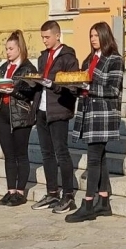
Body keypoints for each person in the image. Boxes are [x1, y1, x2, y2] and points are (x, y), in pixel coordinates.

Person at [65, 22, 124, 223]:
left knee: (93, 158)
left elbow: (113, 90)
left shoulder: (114, 59)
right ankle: (104, 201)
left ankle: (88, 203)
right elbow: (82, 84)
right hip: (87, 112)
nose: (92, 39)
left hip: (104, 114)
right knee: (101, 157)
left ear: (105, 36)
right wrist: (71, 86)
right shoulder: (89, 59)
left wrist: (87, 87)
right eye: (90, 35)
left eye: (96, 35)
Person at [30, 20, 80, 214]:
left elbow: (73, 85)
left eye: (47, 37)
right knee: (46, 153)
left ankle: (68, 195)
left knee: (61, 152)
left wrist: (54, 85)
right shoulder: (43, 57)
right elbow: (40, 80)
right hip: (42, 109)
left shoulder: (68, 57)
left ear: (57, 35)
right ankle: (52, 192)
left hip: (59, 110)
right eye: (42, 37)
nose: (44, 41)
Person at [0, 30, 37, 207]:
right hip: (3, 114)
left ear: (20, 48)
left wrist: (14, 91)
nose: (8, 52)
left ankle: (20, 191)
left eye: (11, 49)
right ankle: (10, 190)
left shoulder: (28, 68)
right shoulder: (4, 67)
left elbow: (30, 91)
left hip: (20, 115)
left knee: (21, 154)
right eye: (6, 49)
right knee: (8, 155)